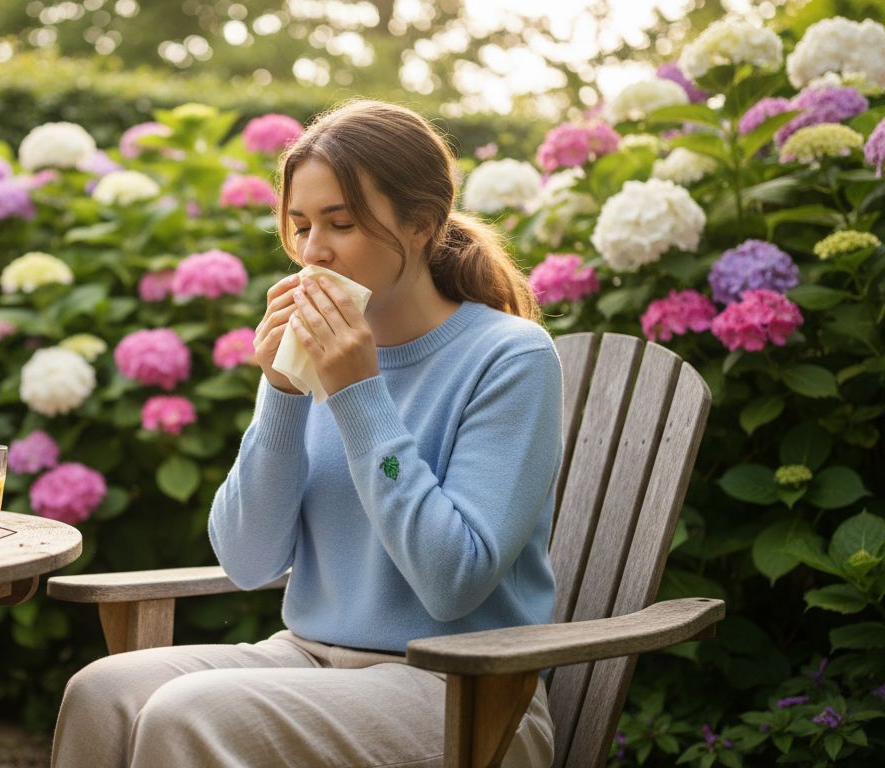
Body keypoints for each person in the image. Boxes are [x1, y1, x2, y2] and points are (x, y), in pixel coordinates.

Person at [51, 99, 561, 768]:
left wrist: (357, 393)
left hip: (464, 693)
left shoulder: (510, 358)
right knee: (102, 691)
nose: (313, 251)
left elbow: (451, 582)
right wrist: (284, 392)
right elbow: (248, 559)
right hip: (311, 658)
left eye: (340, 224)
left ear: (420, 225)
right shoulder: (320, 352)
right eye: (299, 225)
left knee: (188, 713)